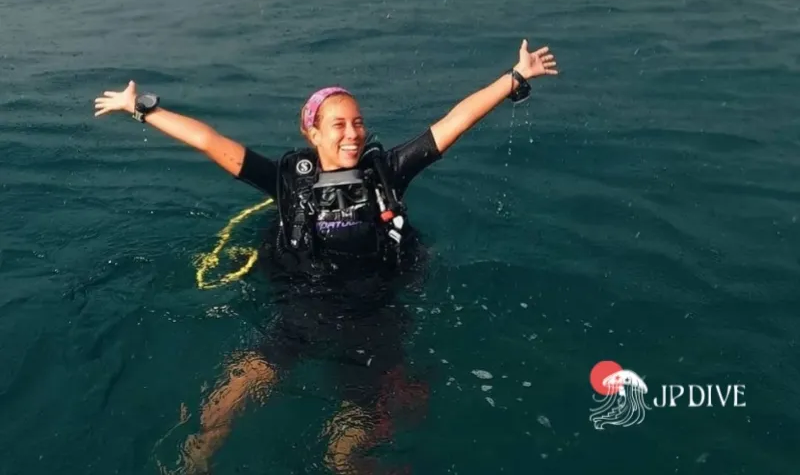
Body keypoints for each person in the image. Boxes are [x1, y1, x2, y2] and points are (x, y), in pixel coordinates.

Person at [93, 40, 558, 473]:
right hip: (302, 308)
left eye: (358, 123)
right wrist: (142, 108)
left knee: (344, 455)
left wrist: (514, 76)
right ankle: (195, 461)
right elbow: (210, 142)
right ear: (311, 132)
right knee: (224, 403)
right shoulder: (285, 180)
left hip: (372, 314)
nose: (353, 134)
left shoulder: (387, 173)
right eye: (339, 125)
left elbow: (453, 124)